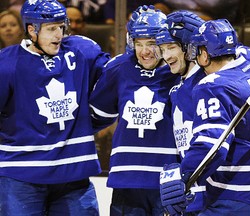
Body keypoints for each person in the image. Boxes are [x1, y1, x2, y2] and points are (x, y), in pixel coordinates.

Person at [159, 19, 250, 215]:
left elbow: (211, 146)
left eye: (197, 50)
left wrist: (182, 176)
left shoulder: (212, 86)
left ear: (205, 55)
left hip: (239, 193)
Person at [0, 0, 110, 215]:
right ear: (32, 30)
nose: (59, 35)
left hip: (74, 173)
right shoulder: (6, 64)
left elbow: (114, 85)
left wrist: (91, 122)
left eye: (61, 27)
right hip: (22, 175)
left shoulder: (81, 52)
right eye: (51, 29)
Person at [89, 7, 181, 215]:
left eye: (151, 44)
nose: (144, 51)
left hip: (168, 180)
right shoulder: (119, 67)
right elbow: (97, 114)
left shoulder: (179, 69)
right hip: (127, 178)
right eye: (139, 44)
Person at [155, 11, 207, 216]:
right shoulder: (177, 87)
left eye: (171, 47)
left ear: (190, 47)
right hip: (192, 194)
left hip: (212, 195)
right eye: (163, 49)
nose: (166, 56)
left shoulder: (208, 84)